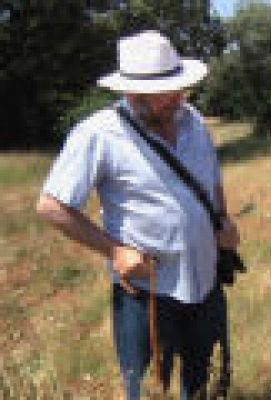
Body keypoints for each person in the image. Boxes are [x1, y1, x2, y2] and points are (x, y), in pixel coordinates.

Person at [36, 30, 239, 399]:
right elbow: (52, 206)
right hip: (148, 293)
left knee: (201, 380)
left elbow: (212, 182)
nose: (181, 97)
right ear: (134, 95)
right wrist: (115, 252)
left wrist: (223, 221)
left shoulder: (192, 120)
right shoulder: (97, 134)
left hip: (205, 280)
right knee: (147, 389)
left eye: (182, 88)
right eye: (170, 92)